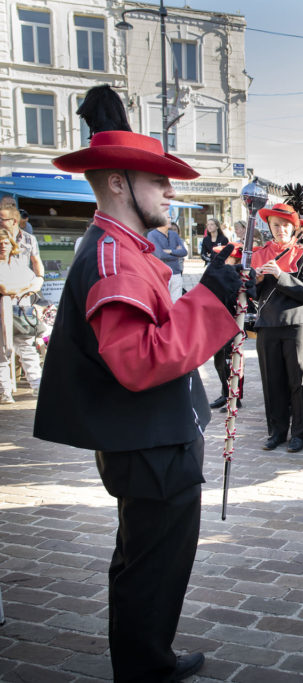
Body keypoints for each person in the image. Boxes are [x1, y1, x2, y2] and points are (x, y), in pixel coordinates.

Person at [33, 85, 243, 682]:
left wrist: (211, 291)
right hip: (149, 444)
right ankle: (145, 671)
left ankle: (149, 658)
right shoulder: (113, 257)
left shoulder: (123, 247)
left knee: (149, 564)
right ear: (120, 183)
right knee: (152, 567)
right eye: (160, 181)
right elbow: (139, 362)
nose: (172, 192)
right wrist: (212, 298)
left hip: (153, 438)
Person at [250, 199, 303, 454]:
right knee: (272, 381)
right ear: (269, 226)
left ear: (293, 228)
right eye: (276, 225)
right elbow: (251, 295)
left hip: (297, 324)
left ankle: (300, 433)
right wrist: (255, 282)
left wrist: (280, 276)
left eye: (285, 225)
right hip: (267, 324)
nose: (280, 229)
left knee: (299, 380)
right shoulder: (258, 254)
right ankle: (277, 431)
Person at [0, 214, 44, 403]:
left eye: (6, 243)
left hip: (20, 314)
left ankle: (38, 386)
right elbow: (4, 288)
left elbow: (35, 283)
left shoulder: (19, 266)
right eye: (0, 243)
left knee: (28, 350)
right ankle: (5, 391)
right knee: (2, 354)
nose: (3, 246)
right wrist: (20, 289)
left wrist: (19, 289)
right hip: (3, 315)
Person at [147, 221, 188, 302]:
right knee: (164, 302)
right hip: (162, 274)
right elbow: (160, 255)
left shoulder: (174, 235)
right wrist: (176, 254)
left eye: (169, 217)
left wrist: (170, 251)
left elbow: (184, 252)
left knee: (176, 303)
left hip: (176, 273)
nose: (169, 219)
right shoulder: (152, 235)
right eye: (167, 217)